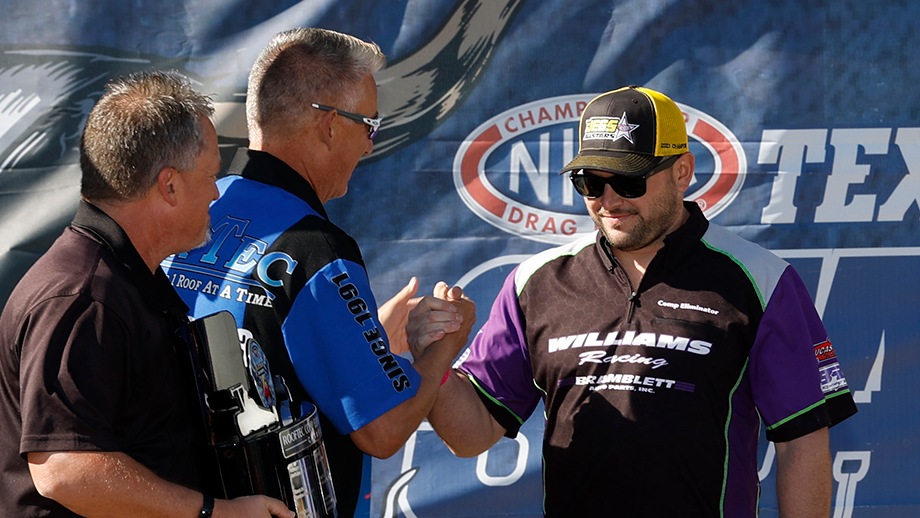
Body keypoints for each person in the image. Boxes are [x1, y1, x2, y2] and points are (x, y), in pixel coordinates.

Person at [424, 85, 858, 517]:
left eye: (629, 181)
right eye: (590, 182)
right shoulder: (536, 282)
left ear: (682, 171)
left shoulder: (761, 279)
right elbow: (471, 436)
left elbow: (802, 440)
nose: (609, 201)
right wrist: (436, 364)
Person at [161, 28, 475, 517]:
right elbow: (384, 428)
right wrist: (440, 354)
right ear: (329, 125)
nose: (370, 146)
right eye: (369, 125)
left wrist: (367, 337)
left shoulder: (198, 208)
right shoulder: (317, 251)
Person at [0, 71, 293, 517]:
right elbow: (63, 468)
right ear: (169, 185)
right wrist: (215, 512)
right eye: (212, 174)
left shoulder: (124, 277)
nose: (216, 193)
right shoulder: (83, 299)